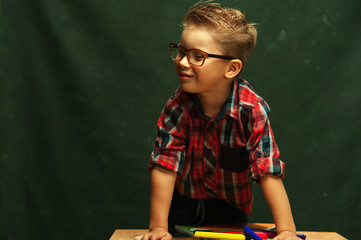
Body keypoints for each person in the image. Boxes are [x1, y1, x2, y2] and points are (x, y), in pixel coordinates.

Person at [137, 2, 300, 240]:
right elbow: (164, 166)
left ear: (231, 68)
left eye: (197, 56)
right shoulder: (177, 108)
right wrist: (158, 228)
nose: (182, 62)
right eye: (181, 51)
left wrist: (286, 231)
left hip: (230, 209)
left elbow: (268, 170)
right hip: (181, 206)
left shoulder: (252, 110)